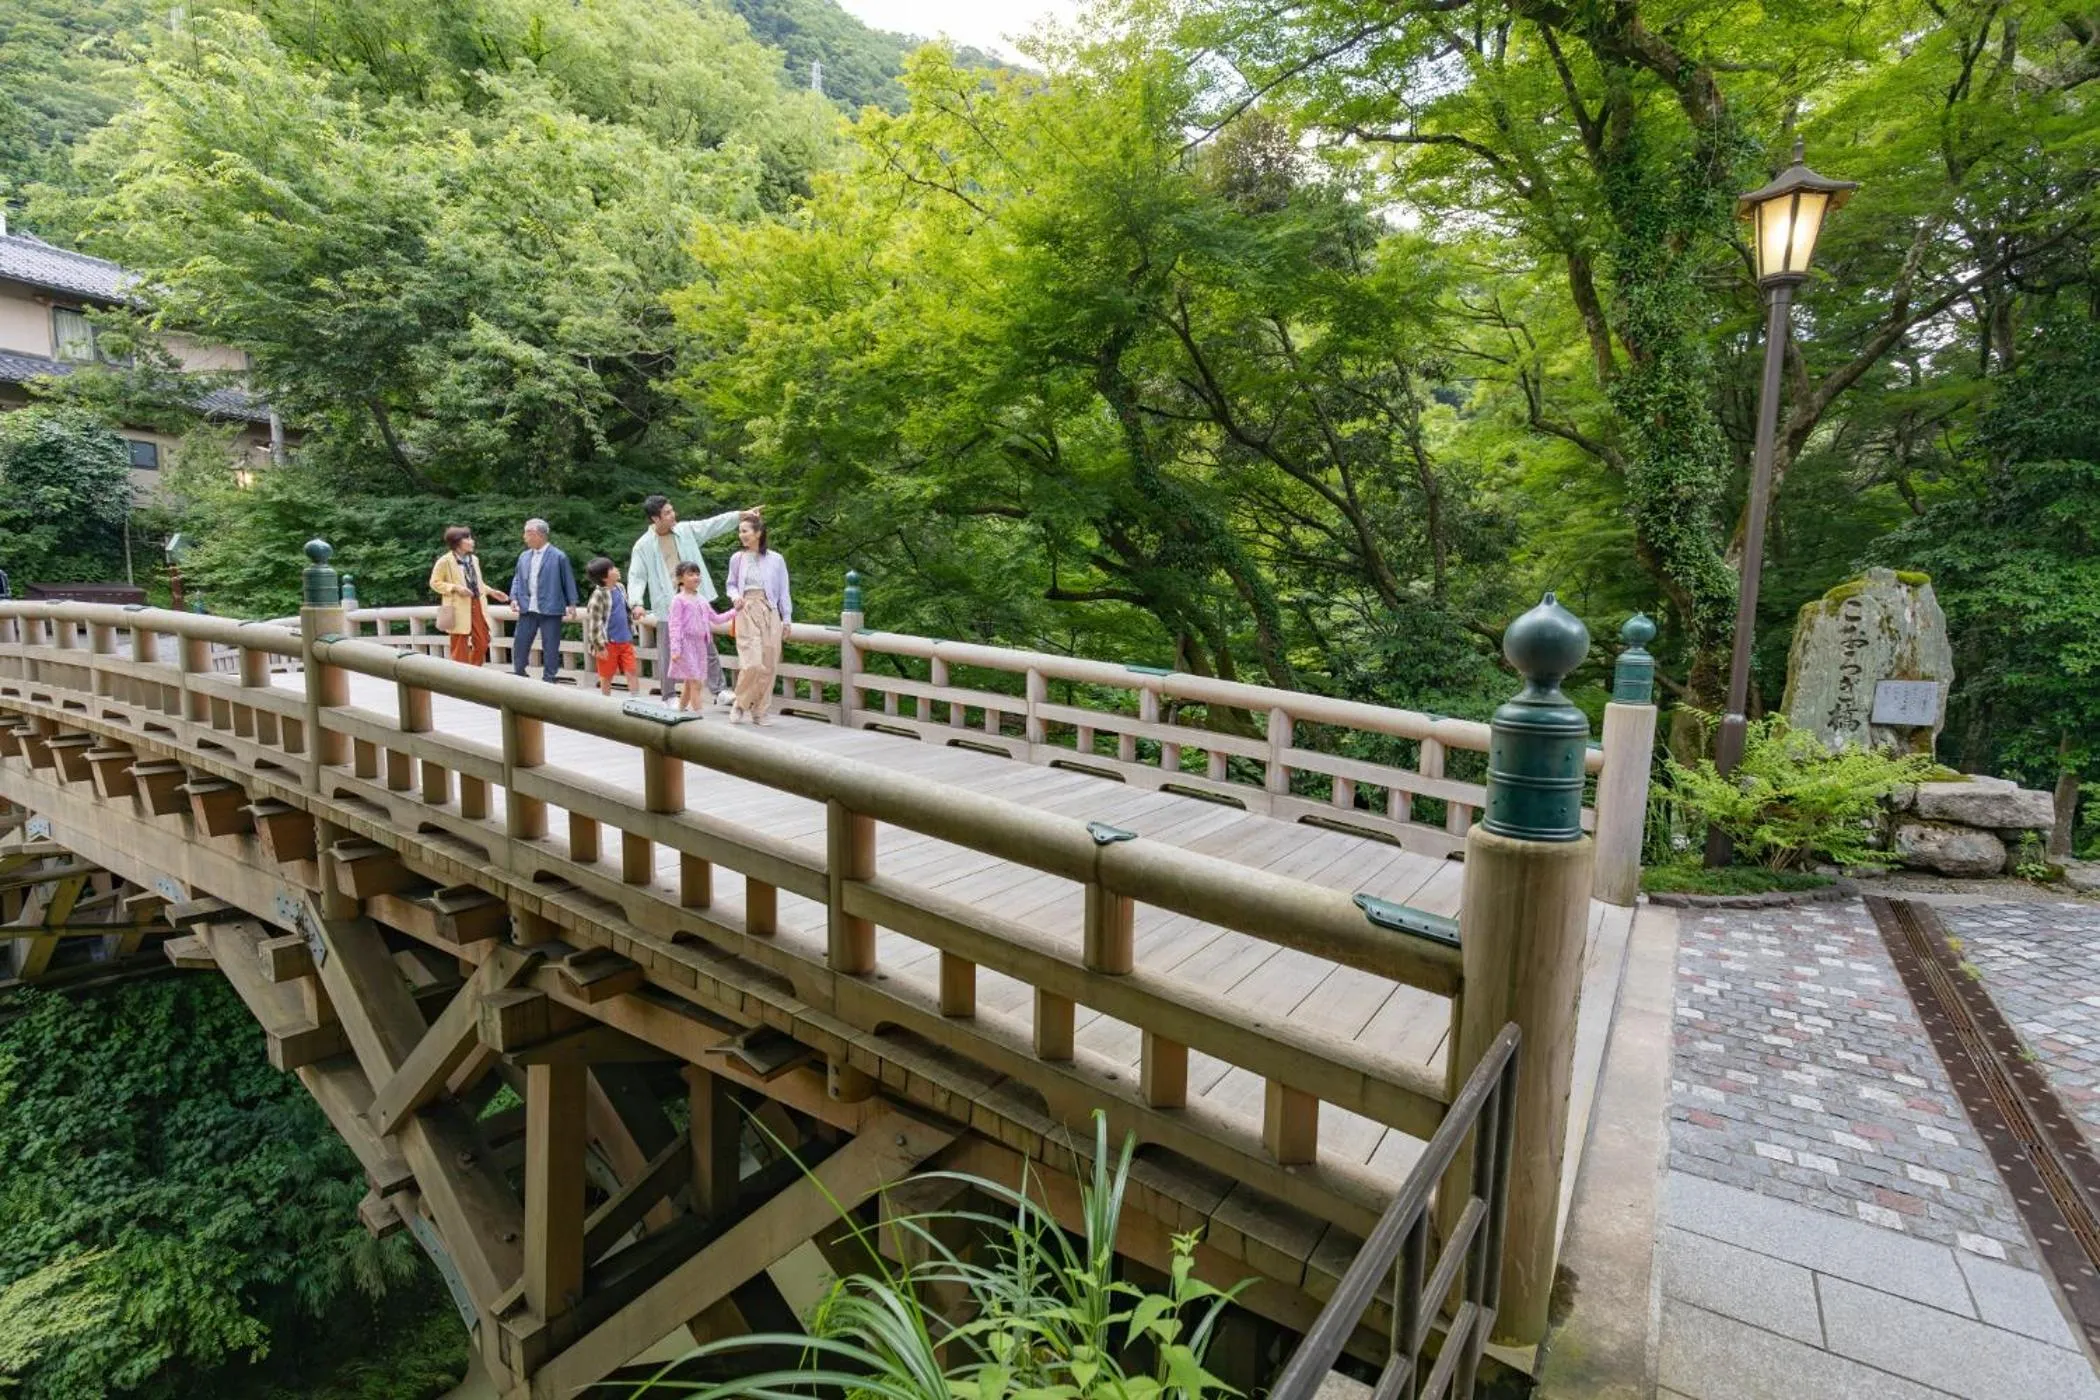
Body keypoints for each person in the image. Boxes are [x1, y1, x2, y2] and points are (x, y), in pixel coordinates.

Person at [626, 495, 762, 705]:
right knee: (668, 649)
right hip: (667, 602)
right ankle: (669, 695)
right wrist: (636, 603)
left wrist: (740, 516)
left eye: (672, 510)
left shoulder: (685, 531)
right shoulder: (643, 545)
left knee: (707, 644)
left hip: (694, 599)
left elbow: (712, 525)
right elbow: (637, 576)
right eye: (667, 513)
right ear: (655, 518)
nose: (673, 515)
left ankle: (719, 690)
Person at [725, 511, 790, 726]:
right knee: (751, 663)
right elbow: (731, 584)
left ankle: (760, 711)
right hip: (746, 609)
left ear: (758, 533)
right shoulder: (737, 558)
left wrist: (787, 618)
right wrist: (735, 597)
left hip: (770, 611)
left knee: (769, 664)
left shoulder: (776, 559)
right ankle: (740, 703)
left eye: (745, 531)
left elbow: (784, 591)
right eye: (740, 531)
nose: (741, 535)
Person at [508, 518, 579, 683]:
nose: (524, 537)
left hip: (551, 607)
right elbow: (517, 578)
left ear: (538, 534)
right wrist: (514, 597)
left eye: (527, 533)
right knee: (520, 642)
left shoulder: (559, 556)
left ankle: (549, 678)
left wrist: (572, 603)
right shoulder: (524, 556)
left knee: (551, 645)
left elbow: (568, 580)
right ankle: (519, 673)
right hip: (527, 607)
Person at [429, 526, 508, 666]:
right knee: (460, 644)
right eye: (468, 538)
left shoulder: (474, 559)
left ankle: (472, 670)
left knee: (483, 641)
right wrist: (455, 588)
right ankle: (460, 675)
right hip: (457, 606)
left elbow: (477, 583)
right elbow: (434, 583)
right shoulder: (445, 561)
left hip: (477, 603)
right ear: (457, 542)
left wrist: (492, 592)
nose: (472, 541)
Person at [665, 562, 727, 713]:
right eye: (691, 574)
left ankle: (680, 710)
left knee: (690, 681)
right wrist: (675, 649)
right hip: (686, 644)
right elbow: (674, 626)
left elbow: (716, 619)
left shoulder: (702, 599)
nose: (695, 577)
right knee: (696, 682)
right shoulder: (678, 600)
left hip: (700, 645)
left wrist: (735, 612)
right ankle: (699, 715)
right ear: (680, 578)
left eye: (697, 574)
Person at [583, 557, 642, 696]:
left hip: (625, 639)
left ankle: (636, 699)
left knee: (632, 671)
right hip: (608, 642)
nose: (616, 570)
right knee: (606, 675)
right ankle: (605, 700)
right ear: (605, 577)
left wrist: (634, 612)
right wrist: (599, 646)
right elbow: (595, 623)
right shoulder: (598, 596)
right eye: (612, 569)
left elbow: (624, 609)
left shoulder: (620, 588)